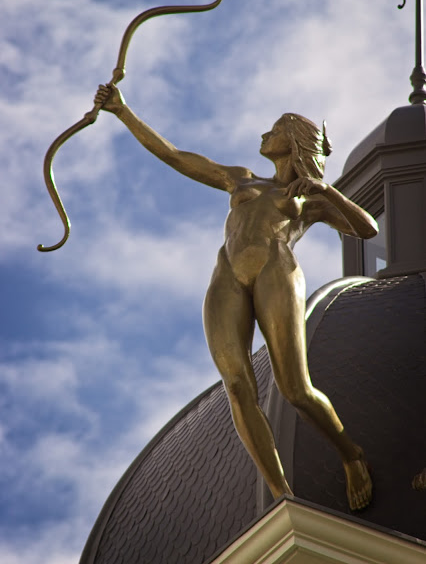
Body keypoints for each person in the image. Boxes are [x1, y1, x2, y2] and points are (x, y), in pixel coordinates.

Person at [94, 84, 378, 510]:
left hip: (275, 272)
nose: (265, 135)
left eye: (275, 129)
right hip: (227, 276)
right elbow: (175, 157)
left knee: (295, 389)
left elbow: (367, 230)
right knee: (236, 384)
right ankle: (281, 494)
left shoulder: (305, 199)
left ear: (294, 139)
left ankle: (351, 454)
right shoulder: (241, 178)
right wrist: (122, 111)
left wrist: (324, 191)